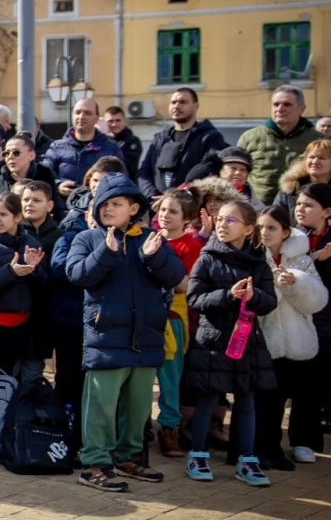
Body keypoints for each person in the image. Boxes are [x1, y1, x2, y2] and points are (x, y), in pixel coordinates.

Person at [64, 174, 186, 492]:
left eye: (116, 203)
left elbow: (176, 277)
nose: (108, 209)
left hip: (146, 338)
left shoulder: (152, 239)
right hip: (106, 339)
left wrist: (154, 256)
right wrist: (106, 253)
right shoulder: (88, 239)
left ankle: (130, 457)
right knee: (101, 407)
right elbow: (76, 275)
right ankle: (94, 463)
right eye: (103, 203)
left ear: (133, 209)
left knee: (139, 407)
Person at [183, 199, 277, 486]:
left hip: (246, 340)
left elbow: (270, 302)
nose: (222, 224)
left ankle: (247, 460)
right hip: (214, 340)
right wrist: (228, 296)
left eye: (231, 220)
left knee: (246, 400)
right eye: (220, 219)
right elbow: (194, 298)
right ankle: (198, 455)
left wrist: (253, 297)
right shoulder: (207, 258)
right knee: (209, 398)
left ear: (248, 229)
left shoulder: (258, 262)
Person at [255, 204, 327, 472]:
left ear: (285, 232)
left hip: (298, 340)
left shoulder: (302, 259)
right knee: (265, 400)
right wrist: (274, 287)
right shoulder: (253, 256)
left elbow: (317, 301)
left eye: (271, 228)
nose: (265, 232)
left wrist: (296, 283)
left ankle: (279, 449)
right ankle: (261, 449)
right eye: (261, 227)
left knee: (288, 397)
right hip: (264, 339)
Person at [293, 183, 331, 461]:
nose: (300, 209)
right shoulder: (288, 237)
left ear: (327, 212)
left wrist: (326, 261)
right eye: (298, 204)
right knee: (281, 383)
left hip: (321, 321)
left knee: (311, 385)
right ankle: (269, 441)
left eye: (308, 205)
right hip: (288, 318)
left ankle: (305, 442)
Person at [0, 192, 47, 384]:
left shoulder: (32, 244)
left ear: (17, 217)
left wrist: (33, 269)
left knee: (16, 376)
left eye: (3, 214)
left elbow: (43, 285)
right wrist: (11, 271)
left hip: (22, 320)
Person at [153, 190, 202, 458]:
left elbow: (184, 285)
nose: (165, 215)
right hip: (145, 316)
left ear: (187, 218)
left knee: (170, 379)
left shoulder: (191, 246)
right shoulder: (148, 238)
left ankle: (169, 428)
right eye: (163, 209)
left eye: (173, 211)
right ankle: (138, 427)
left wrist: (156, 262)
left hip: (172, 319)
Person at [237, 85, 324, 206]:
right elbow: (236, 175)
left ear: (301, 109)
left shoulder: (318, 140)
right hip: (258, 210)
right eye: (276, 104)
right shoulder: (250, 138)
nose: (280, 109)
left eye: (287, 104)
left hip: (301, 209)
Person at [137, 87, 228, 199]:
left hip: (191, 205)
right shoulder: (160, 139)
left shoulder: (210, 137)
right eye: (173, 102)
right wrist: (152, 195)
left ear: (196, 106)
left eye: (183, 102)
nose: (176, 106)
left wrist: (180, 196)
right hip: (157, 205)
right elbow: (144, 172)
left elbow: (210, 170)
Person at [43, 98, 123, 200]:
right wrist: (58, 186)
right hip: (64, 206)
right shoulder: (57, 147)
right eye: (77, 112)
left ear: (96, 118)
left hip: (97, 205)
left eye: (87, 113)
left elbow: (121, 180)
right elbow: (44, 177)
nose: (81, 117)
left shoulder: (111, 148)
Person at [274, 139, 331, 216]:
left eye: (322, 158)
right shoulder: (292, 188)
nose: (315, 162)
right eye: (312, 157)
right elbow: (276, 217)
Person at [101, 106, 143, 181]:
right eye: (110, 121)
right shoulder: (101, 140)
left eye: (118, 120)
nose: (114, 124)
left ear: (124, 120)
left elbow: (127, 167)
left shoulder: (132, 141)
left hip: (125, 184)